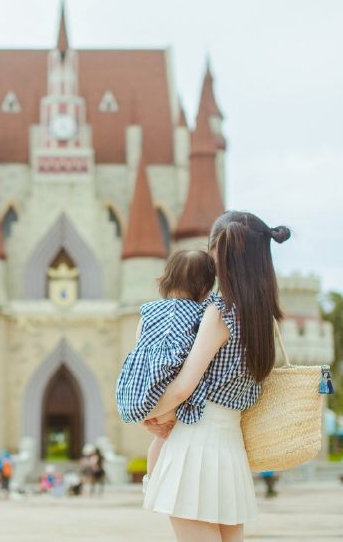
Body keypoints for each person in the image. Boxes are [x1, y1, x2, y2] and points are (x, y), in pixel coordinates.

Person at [142, 211, 291, 541]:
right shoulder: (262, 316)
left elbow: (184, 386)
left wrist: (147, 412)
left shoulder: (220, 311)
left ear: (219, 253)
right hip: (229, 447)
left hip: (196, 443)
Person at [115, 249, 216, 493]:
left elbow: (140, 346)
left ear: (165, 280)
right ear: (205, 287)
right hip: (172, 376)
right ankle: (159, 483)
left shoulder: (148, 312)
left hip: (144, 380)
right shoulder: (203, 313)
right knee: (167, 433)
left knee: (158, 440)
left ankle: (152, 482)